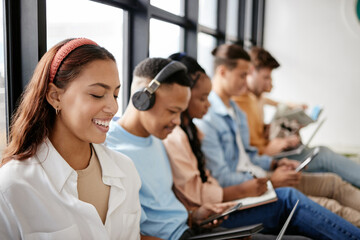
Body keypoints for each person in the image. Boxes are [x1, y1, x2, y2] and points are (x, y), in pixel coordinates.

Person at [164, 54, 360, 228]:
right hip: (249, 186)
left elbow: (246, 156)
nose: (246, 80)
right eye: (243, 74)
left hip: (256, 178)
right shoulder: (199, 126)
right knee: (320, 196)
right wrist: (268, 178)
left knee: (331, 182)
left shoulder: (232, 110)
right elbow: (216, 182)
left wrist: (274, 163)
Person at [0, 38, 141, 239]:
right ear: (55, 96)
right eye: (97, 94)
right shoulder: (13, 185)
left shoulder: (126, 170)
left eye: (116, 95)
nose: (113, 107)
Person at [106, 57, 242, 240]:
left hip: (190, 229)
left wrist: (194, 215)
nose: (178, 121)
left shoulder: (158, 140)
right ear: (142, 99)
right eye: (172, 111)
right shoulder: (110, 150)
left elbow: (161, 207)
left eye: (180, 112)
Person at [233, 46, 360, 188]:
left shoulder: (256, 97)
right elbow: (245, 153)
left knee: (325, 163)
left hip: (272, 151)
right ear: (250, 71)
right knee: (324, 156)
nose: (269, 84)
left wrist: (283, 120)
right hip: (268, 158)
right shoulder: (239, 102)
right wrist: (269, 148)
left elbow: (270, 104)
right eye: (265, 77)